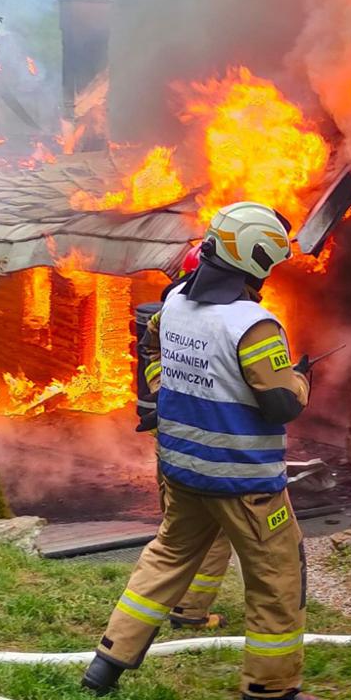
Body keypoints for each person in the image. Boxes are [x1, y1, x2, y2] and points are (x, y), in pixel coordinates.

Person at [84, 201, 319, 700]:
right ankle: (269, 690)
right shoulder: (253, 325)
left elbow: (158, 365)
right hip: (246, 486)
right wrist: (302, 379)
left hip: (184, 471)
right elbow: (282, 402)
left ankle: (107, 662)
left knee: (166, 558)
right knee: (278, 578)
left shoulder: (172, 306)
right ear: (256, 259)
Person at [131, 241, 232, 631]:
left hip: (169, 439)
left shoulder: (170, 316)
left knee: (175, 529)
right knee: (212, 532)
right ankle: (190, 610)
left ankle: (146, 613)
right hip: (202, 445)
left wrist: (162, 395)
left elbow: (154, 360)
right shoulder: (216, 323)